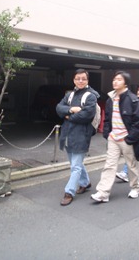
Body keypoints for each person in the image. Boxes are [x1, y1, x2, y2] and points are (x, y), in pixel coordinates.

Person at [91, 71, 139, 202]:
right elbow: (108, 118)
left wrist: (130, 138)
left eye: (119, 80)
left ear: (125, 83)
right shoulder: (110, 98)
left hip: (126, 138)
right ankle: (103, 192)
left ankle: (135, 188)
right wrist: (107, 133)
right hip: (113, 138)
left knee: (131, 165)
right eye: (114, 79)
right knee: (109, 165)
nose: (115, 81)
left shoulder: (132, 99)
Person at [56, 69, 99, 206]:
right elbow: (58, 108)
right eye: (78, 78)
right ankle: (85, 183)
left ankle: (69, 192)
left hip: (81, 134)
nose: (80, 81)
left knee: (75, 166)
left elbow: (87, 115)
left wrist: (68, 116)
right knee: (75, 164)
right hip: (68, 133)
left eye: (83, 79)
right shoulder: (69, 94)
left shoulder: (91, 96)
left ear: (87, 81)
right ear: (74, 80)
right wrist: (71, 110)